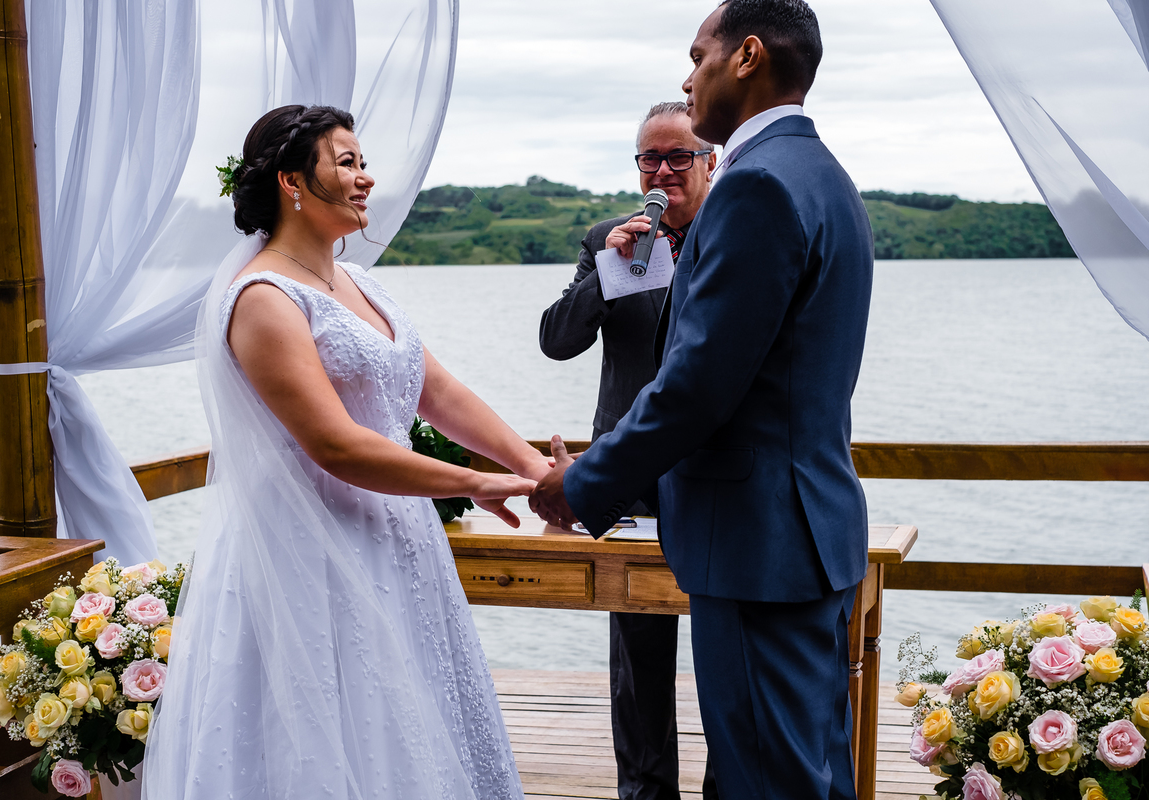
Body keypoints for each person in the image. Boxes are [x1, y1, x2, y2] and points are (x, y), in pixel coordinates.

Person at [143, 104, 548, 799]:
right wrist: (471, 484)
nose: (366, 179)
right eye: (348, 162)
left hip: (399, 540)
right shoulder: (264, 299)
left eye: (363, 163)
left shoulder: (364, 285)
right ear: (293, 181)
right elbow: (334, 444)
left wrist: (535, 469)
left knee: (415, 725)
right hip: (309, 550)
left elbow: (439, 392)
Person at [529, 1, 874, 797]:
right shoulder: (824, 175)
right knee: (808, 770)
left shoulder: (754, 188)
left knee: (762, 780)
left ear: (747, 56)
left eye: (698, 56)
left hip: (757, 543)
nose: (689, 80)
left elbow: (696, 386)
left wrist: (578, 485)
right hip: (806, 533)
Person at [538, 101, 716, 800]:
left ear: (710, 160)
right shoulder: (607, 238)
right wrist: (607, 272)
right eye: (651, 158)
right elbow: (557, 340)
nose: (664, 170)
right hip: (630, 473)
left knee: (725, 647)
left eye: (679, 156)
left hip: (712, 473)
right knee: (639, 655)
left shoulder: (735, 231)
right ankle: (646, 793)